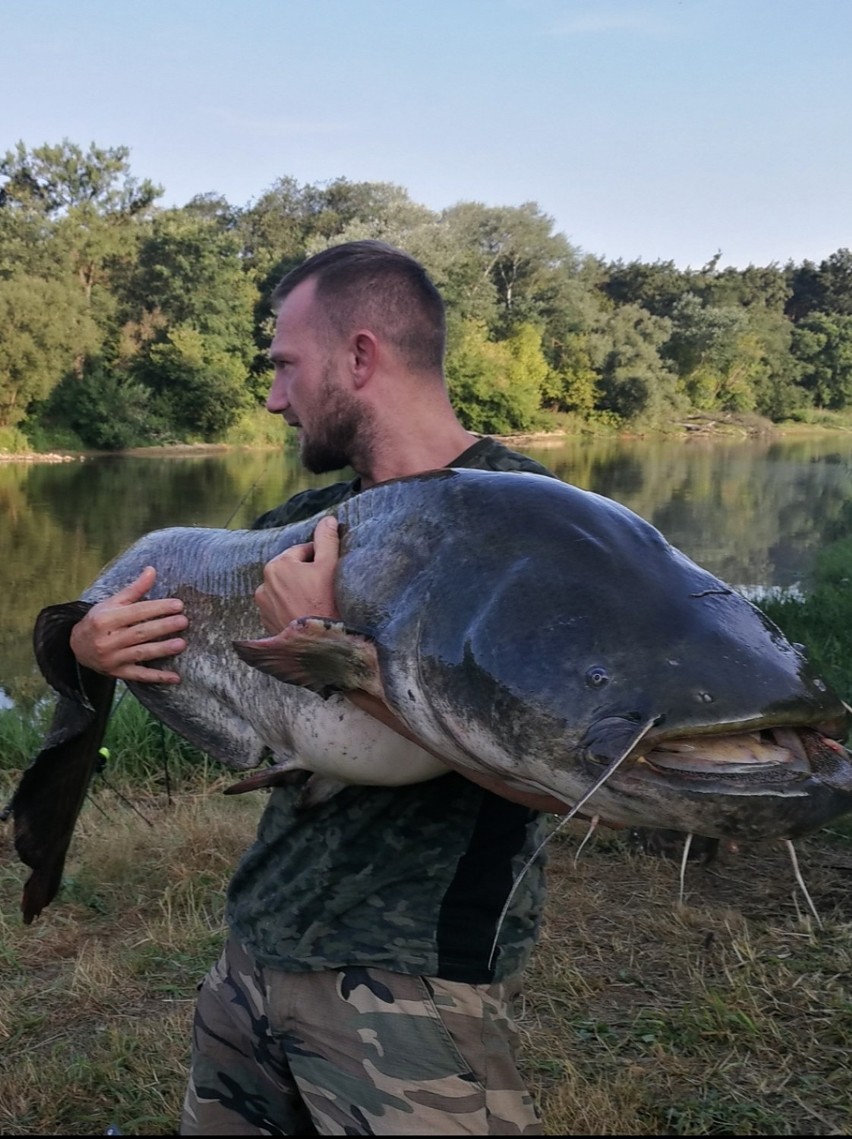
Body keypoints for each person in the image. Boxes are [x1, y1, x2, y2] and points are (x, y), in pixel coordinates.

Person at [69, 240, 570, 1135]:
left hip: (412, 981)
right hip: (257, 942)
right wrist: (90, 638)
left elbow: (574, 773)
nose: (271, 397)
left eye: (285, 366)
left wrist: (333, 652)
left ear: (361, 357)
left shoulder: (526, 521)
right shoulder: (301, 525)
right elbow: (192, 646)